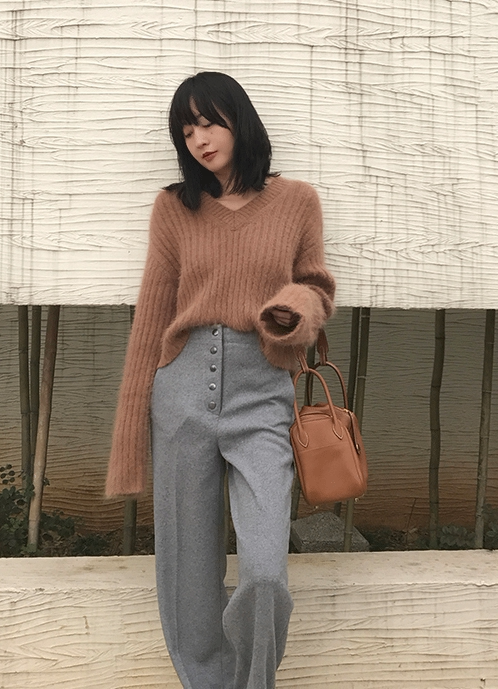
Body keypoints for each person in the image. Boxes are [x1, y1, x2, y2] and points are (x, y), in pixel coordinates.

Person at [106, 71, 335, 689]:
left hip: (262, 392)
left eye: (209, 122)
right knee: (188, 571)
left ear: (240, 120)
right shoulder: (174, 208)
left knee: (264, 571)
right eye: (187, 131)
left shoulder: (297, 201)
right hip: (180, 392)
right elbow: (153, 318)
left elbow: (317, 285)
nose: (199, 139)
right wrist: (128, 440)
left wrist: (292, 307)